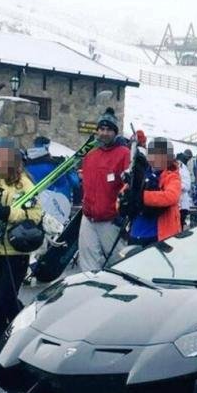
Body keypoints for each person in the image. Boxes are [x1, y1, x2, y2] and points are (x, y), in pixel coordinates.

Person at [0, 138, 43, 369]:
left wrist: (9, 213)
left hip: (14, 249)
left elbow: (34, 215)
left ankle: (22, 334)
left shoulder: (23, 184)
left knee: (6, 297)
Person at [78, 110, 130, 272]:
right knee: (87, 259)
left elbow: (128, 185)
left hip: (110, 218)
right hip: (89, 216)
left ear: (115, 132)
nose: (104, 133)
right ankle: (89, 291)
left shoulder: (124, 154)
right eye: (101, 129)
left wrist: (123, 213)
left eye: (109, 130)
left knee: (117, 259)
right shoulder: (90, 155)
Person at [129, 138, 182, 246]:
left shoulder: (172, 176)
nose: (155, 158)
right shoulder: (141, 173)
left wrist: (141, 197)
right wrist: (122, 202)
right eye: (152, 154)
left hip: (160, 235)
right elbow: (125, 192)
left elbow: (171, 196)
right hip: (136, 232)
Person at [24, 135, 80, 202]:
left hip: (34, 201)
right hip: (53, 202)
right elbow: (74, 182)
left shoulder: (25, 165)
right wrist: (71, 170)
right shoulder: (54, 165)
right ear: (46, 146)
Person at [176, 151, 193, 230]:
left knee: (180, 224)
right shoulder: (181, 167)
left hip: (182, 202)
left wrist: (175, 185)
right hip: (178, 202)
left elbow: (186, 185)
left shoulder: (183, 168)